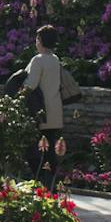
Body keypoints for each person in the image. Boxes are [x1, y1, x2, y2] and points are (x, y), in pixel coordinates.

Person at [21, 25, 70, 187]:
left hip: (40, 109)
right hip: (54, 109)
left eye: (37, 39)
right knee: (50, 148)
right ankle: (51, 183)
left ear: (40, 41)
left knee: (36, 149)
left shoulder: (38, 60)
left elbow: (31, 84)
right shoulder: (55, 59)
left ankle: (41, 182)